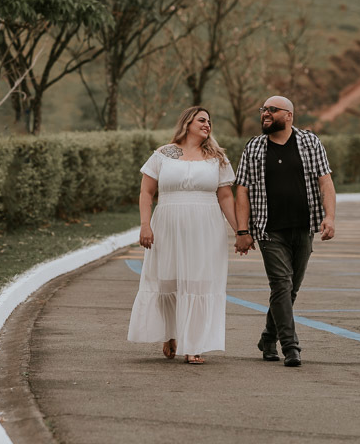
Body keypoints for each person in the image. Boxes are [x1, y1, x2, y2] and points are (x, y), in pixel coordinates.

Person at [128, 107, 237, 365]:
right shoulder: (164, 154)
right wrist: (145, 225)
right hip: (167, 223)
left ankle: (194, 344)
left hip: (206, 227)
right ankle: (170, 334)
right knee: (168, 281)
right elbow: (146, 193)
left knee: (198, 282)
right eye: (202, 120)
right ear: (187, 123)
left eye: (210, 121)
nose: (207, 124)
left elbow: (225, 196)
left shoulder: (217, 158)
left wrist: (239, 230)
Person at [234, 95, 336, 367]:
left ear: (288, 115)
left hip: (304, 227)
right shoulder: (254, 147)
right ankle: (291, 347)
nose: (265, 114)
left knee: (290, 290)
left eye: (272, 110)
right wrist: (242, 231)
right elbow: (241, 190)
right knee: (281, 284)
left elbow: (325, 181)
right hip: (269, 230)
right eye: (263, 110)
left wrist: (330, 217)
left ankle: (268, 337)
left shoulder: (309, 142)